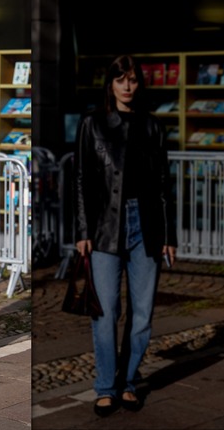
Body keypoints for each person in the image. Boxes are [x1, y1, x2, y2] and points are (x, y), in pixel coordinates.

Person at [73, 55, 177, 417]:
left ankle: (129, 381)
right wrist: (83, 230)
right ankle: (105, 386)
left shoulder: (152, 126)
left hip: (146, 226)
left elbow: (165, 184)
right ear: (111, 84)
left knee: (143, 314)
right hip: (104, 227)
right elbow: (83, 179)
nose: (127, 86)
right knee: (105, 313)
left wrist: (169, 235)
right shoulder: (93, 124)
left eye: (132, 80)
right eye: (121, 80)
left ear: (139, 83)